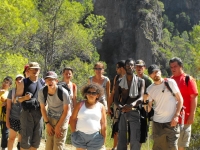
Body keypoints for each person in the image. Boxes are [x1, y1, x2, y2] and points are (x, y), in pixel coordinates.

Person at [144, 64, 183, 150]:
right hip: (158, 123)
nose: (156, 74)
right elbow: (148, 109)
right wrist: (145, 101)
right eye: (153, 73)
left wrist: (176, 116)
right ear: (150, 76)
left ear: (160, 72)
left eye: (157, 71)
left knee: (172, 147)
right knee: (158, 148)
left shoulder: (170, 82)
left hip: (171, 122)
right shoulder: (150, 89)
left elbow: (180, 99)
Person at [114, 58, 145, 150]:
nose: (130, 67)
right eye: (128, 65)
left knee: (134, 138)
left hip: (134, 111)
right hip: (123, 112)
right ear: (124, 67)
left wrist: (131, 105)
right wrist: (121, 107)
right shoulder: (119, 82)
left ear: (134, 67)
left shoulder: (140, 81)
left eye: (131, 65)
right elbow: (115, 99)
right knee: (122, 138)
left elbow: (141, 98)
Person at [169, 57, 198, 150]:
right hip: (172, 118)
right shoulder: (170, 80)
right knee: (172, 145)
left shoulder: (188, 79)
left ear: (181, 66)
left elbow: (194, 98)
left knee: (181, 146)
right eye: (171, 67)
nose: (173, 69)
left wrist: (192, 115)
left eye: (175, 66)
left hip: (185, 118)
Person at [38, 71, 71, 150]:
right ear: (45, 81)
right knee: (49, 144)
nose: (50, 81)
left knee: (58, 145)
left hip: (62, 118)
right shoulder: (42, 92)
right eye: (47, 79)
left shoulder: (63, 92)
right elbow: (42, 108)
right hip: (50, 117)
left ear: (56, 81)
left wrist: (58, 126)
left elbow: (66, 111)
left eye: (52, 79)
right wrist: (47, 124)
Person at [16, 62, 45, 150]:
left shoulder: (42, 82)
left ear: (39, 71)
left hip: (39, 113)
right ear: (28, 70)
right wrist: (25, 97)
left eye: (37, 69)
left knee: (35, 142)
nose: (35, 71)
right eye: (32, 69)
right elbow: (16, 99)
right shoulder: (23, 82)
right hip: (27, 113)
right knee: (25, 142)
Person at [70, 83, 107, 150]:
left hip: (95, 137)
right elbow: (73, 119)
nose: (91, 94)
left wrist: (103, 138)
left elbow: (103, 123)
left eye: (94, 93)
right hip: (80, 135)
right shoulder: (79, 105)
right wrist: (73, 133)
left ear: (97, 95)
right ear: (86, 94)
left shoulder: (101, 107)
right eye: (89, 92)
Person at [107, 60, 126, 150]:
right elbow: (113, 92)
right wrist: (109, 106)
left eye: (117, 68)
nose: (116, 70)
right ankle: (115, 147)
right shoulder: (116, 78)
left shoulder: (130, 77)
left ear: (122, 68)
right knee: (116, 127)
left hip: (126, 106)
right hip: (116, 106)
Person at [135, 59, 153, 144]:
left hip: (145, 107)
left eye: (141, 66)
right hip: (134, 106)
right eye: (137, 66)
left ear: (144, 68)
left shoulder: (148, 80)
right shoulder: (133, 78)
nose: (139, 68)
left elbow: (153, 93)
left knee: (143, 128)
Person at [6, 74, 24, 150]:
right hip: (13, 118)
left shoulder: (26, 91)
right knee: (11, 138)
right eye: (17, 79)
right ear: (15, 81)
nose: (19, 81)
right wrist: (7, 121)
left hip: (23, 119)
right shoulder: (12, 92)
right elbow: (8, 107)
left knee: (21, 140)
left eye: (21, 79)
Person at [0, 76, 13, 150]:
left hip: (5, 116)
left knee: (5, 133)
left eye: (7, 82)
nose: (4, 83)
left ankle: (3, 148)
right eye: (4, 81)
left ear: (10, 85)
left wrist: (6, 104)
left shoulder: (9, 93)